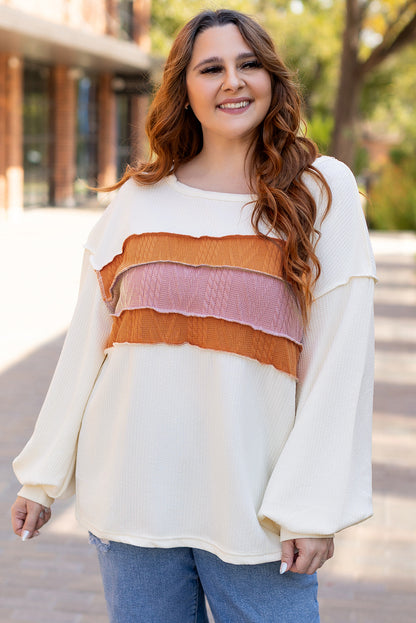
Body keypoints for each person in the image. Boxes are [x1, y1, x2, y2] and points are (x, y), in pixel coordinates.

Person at [11, 9, 377, 623]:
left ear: (271, 79)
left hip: (256, 514)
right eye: (211, 68)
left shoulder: (320, 189)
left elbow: (342, 361)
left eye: (248, 65)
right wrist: (41, 479)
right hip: (131, 504)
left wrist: (312, 507)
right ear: (185, 88)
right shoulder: (140, 196)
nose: (232, 82)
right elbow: (88, 343)